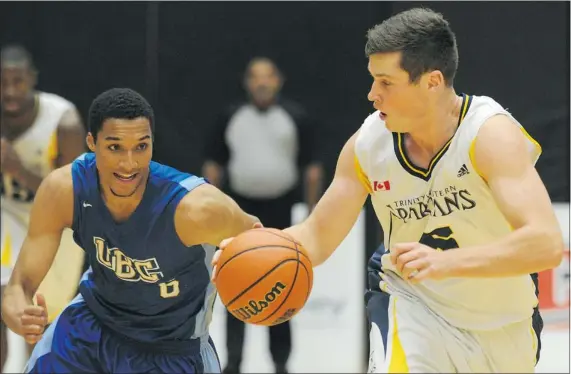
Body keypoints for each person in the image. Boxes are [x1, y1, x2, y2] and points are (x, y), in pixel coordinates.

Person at [213, 8, 564, 373]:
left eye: (386, 82)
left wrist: (446, 262)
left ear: (432, 82)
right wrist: (250, 251)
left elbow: (545, 244)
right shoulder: (368, 145)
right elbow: (317, 236)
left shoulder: (488, 135)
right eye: (372, 81)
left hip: (502, 323)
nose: (372, 95)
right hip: (411, 306)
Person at [1, 87, 261, 374]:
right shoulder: (65, 189)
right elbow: (19, 286)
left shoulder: (198, 209)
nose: (129, 163)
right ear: (92, 142)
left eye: (141, 146)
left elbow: (264, 244)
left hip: (171, 349)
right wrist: (19, 314)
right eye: (115, 147)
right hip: (88, 332)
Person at [203, 56, 323, 374]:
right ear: (247, 82)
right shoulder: (230, 116)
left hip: (280, 210)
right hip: (238, 211)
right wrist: (214, 208)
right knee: (235, 284)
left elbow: (311, 168)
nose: (262, 82)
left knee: (283, 285)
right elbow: (213, 166)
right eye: (255, 77)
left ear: (279, 80)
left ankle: (281, 364)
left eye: (268, 76)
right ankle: (233, 364)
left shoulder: (295, 117)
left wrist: (311, 214)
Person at [0, 44, 86, 371]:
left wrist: (17, 168)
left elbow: (72, 194)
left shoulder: (63, 121)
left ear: (32, 80)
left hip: (52, 225)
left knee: (39, 321)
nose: (9, 90)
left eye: (18, 81)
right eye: (2, 81)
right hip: (6, 216)